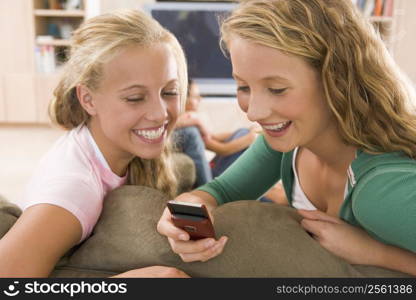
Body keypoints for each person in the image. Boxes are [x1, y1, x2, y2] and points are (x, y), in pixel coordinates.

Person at [157, 0, 416, 276]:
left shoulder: (382, 191)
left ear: (337, 80)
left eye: (277, 89)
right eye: (243, 86)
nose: (254, 112)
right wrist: (188, 205)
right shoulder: (288, 145)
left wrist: (377, 253)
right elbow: (221, 192)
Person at [0, 10, 190, 278]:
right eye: (135, 98)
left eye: (169, 92)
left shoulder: (120, 145)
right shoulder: (74, 190)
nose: (160, 113)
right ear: (88, 100)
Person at [173, 79, 257, 186]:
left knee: (242, 132)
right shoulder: (188, 124)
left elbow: (214, 137)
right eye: (196, 97)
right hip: (212, 176)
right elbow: (223, 150)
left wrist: (248, 131)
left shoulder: (187, 121)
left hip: (213, 170)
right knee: (244, 135)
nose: (200, 99)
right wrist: (250, 137)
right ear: (184, 99)